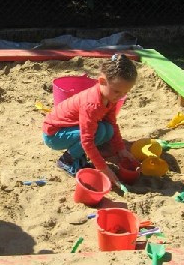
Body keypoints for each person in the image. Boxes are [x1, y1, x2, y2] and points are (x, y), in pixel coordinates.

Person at [42, 54, 139, 186]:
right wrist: (103, 168)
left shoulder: (110, 98)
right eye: (117, 91)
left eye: (125, 92)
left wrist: (121, 149)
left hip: (70, 129)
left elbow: (112, 123)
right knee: (98, 132)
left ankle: (79, 154)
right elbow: (87, 141)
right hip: (54, 135)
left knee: (107, 129)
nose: (120, 96)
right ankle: (66, 160)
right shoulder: (91, 104)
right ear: (102, 81)